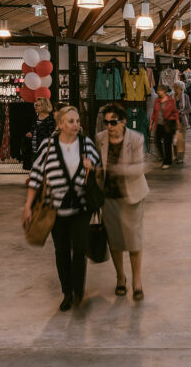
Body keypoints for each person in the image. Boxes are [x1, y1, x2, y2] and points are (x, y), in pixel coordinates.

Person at [23, 105, 101, 311]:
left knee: (81, 249)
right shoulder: (47, 146)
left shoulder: (87, 145)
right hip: (55, 209)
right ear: (60, 124)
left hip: (81, 207)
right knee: (62, 251)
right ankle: (67, 291)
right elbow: (36, 176)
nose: (76, 125)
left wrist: (92, 168)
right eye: (71, 121)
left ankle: (77, 290)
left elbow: (100, 174)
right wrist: (28, 206)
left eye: (77, 121)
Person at [95, 103, 148, 301]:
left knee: (134, 240)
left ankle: (137, 281)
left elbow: (139, 168)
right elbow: (98, 164)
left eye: (113, 122)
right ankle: (120, 277)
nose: (109, 126)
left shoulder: (135, 138)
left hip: (131, 196)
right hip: (109, 196)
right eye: (106, 122)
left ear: (123, 121)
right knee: (115, 240)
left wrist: (117, 169)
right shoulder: (100, 138)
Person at [151, 84, 178, 170]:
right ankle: (163, 158)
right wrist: (151, 123)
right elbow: (154, 112)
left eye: (160, 90)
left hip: (168, 124)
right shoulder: (157, 100)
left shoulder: (171, 100)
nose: (158, 92)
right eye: (158, 90)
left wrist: (177, 123)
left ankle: (167, 162)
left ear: (164, 91)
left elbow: (175, 111)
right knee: (157, 141)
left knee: (167, 144)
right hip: (158, 124)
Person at [24, 97, 55, 171]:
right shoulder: (35, 118)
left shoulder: (50, 120)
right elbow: (33, 130)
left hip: (45, 152)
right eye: (35, 105)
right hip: (34, 150)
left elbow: (51, 136)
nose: (35, 107)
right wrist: (30, 134)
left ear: (44, 106)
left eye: (38, 105)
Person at [172, 81, 191, 164]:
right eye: (174, 87)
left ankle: (180, 158)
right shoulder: (172, 97)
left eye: (177, 88)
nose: (175, 89)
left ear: (181, 89)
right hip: (172, 121)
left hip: (182, 122)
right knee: (174, 140)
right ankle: (176, 156)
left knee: (180, 141)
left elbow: (189, 109)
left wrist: (180, 112)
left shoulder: (185, 97)